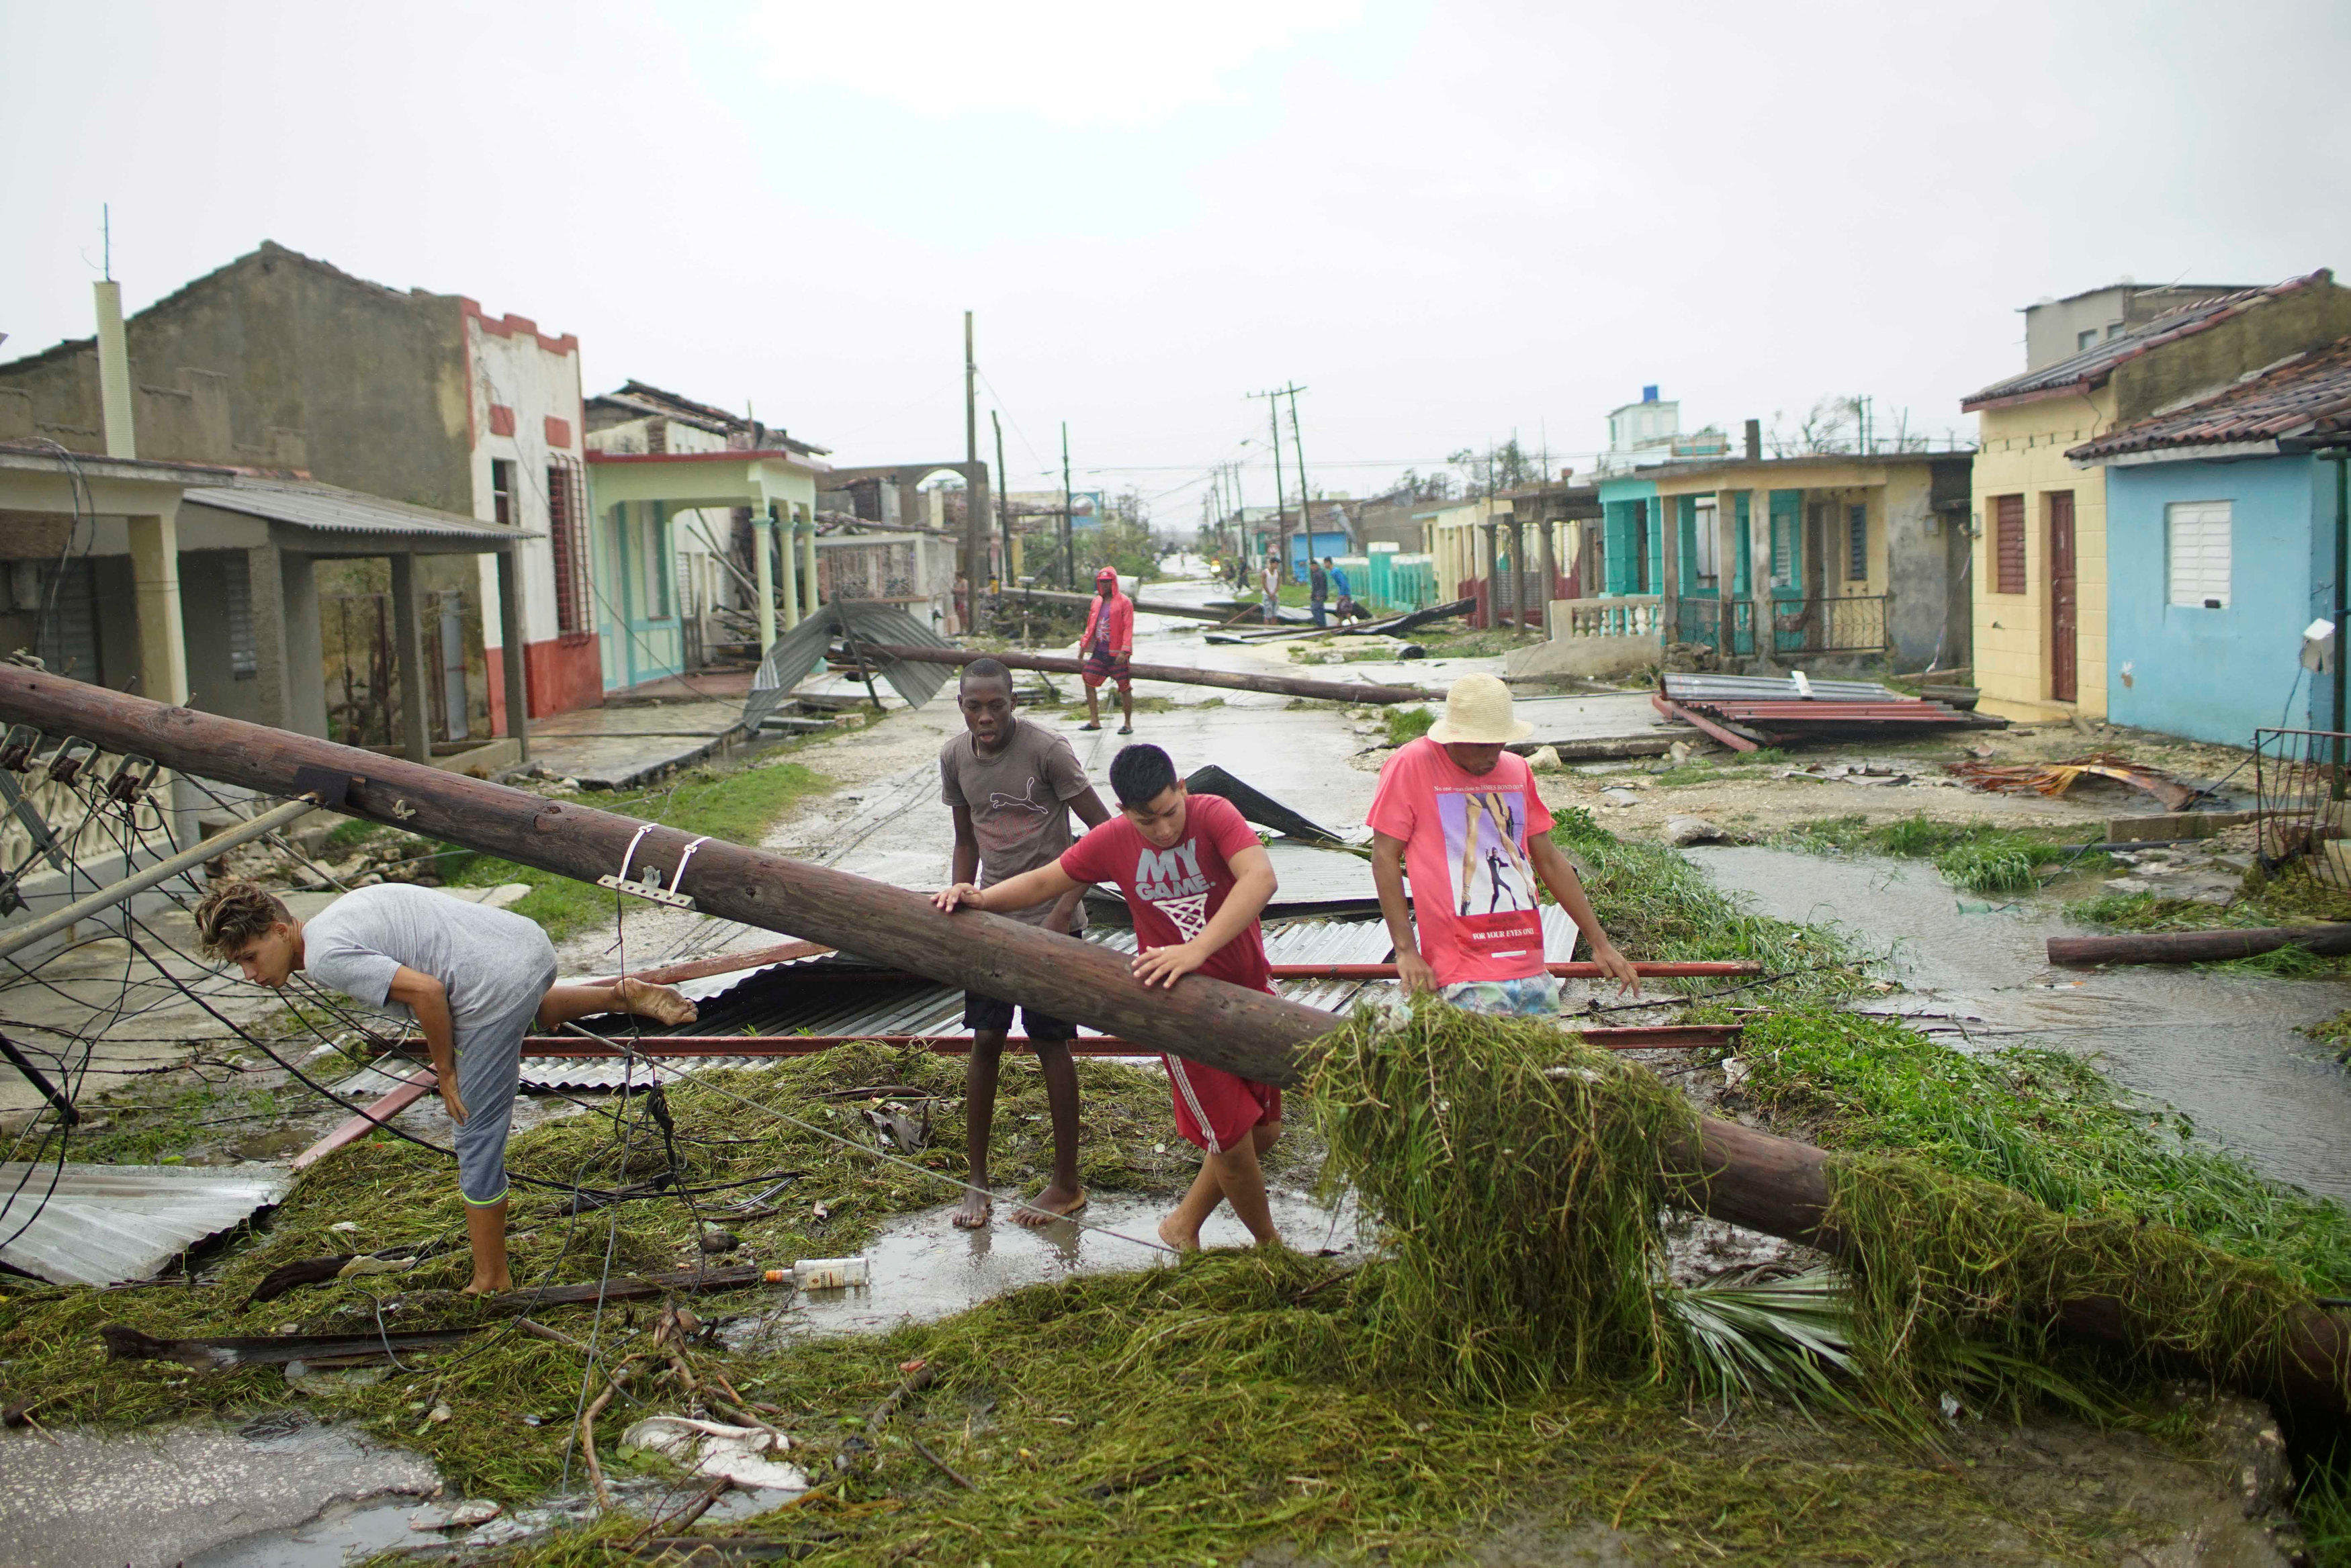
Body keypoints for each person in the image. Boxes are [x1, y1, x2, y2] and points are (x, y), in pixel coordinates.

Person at [195, 880, 698, 1294]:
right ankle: (616, 996)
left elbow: (429, 992)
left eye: (250, 956)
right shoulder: (338, 915)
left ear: (281, 930)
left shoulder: (326, 954)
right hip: (526, 945)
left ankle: (492, 1278)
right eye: (240, 964)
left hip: (495, 982)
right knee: (519, 1010)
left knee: (472, 1131)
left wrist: (446, 1070)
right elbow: (438, 984)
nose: (250, 973)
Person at [933, 743, 1284, 1252]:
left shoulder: (1214, 814)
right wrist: (981, 897)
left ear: (1182, 788)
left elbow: (1261, 877)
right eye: (1147, 821)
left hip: (1251, 993)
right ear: (1123, 812)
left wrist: (1197, 948)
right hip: (1178, 1009)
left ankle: (1182, 1223)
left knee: (1266, 1131)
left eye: (1170, 812)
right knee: (1231, 1144)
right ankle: (1271, 1250)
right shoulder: (1113, 839)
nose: (1163, 830)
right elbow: (1047, 879)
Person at [939, 657, 1113, 1229]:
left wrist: (1064, 910)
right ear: (962, 706)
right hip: (992, 919)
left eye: (996, 705)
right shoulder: (956, 757)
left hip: (1053, 922)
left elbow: (1105, 835)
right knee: (985, 1037)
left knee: (1051, 1042)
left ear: (1013, 701)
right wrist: (962, 890)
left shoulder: (1048, 751)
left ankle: (1067, 1184)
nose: (985, 717)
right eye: (974, 706)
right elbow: (966, 838)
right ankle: (977, 1180)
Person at [1367, 674, 1640, 1015]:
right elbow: (1385, 857)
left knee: (1541, 1065)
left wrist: (1600, 943)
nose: (1493, 755)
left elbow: (1549, 860)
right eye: (1482, 745)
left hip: (1528, 964)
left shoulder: (1516, 770)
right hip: (1461, 968)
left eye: (1500, 743)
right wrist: (1406, 950)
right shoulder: (1412, 764)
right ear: (1454, 736)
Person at [1079, 566, 1135, 735]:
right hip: (1100, 652)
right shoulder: (1096, 601)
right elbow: (1090, 626)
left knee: (1124, 687)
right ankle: (1095, 720)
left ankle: (1127, 723)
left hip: (1117, 654)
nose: (1104, 585)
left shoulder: (1125, 602)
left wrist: (1124, 651)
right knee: (1088, 679)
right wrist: (1083, 647)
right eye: (1102, 582)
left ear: (1114, 583)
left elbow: (1128, 628)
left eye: (1108, 582)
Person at [1259, 556, 1281, 625]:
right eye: (1275, 564)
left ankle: (1274, 627)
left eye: (1278, 564)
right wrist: (1270, 594)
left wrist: (1274, 593)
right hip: (1267, 594)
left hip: (1275, 594)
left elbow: (1278, 584)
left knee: (1275, 613)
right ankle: (1267, 627)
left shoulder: (1277, 572)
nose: (1277, 565)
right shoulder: (1265, 572)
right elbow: (1264, 584)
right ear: (1271, 564)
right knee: (1268, 612)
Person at [1309, 557, 1330, 629]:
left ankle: (1320, 624)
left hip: (1319, 595)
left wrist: (1319, 595)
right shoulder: (1316, 573)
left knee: (1315, 609)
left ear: (1316, 566)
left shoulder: (1320, 573)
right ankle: (1322, 625)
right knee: (1320, 610)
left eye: (1313, 566)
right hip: (1317, 595)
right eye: (1311, 566)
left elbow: (1322, 585)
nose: (1312, 568)